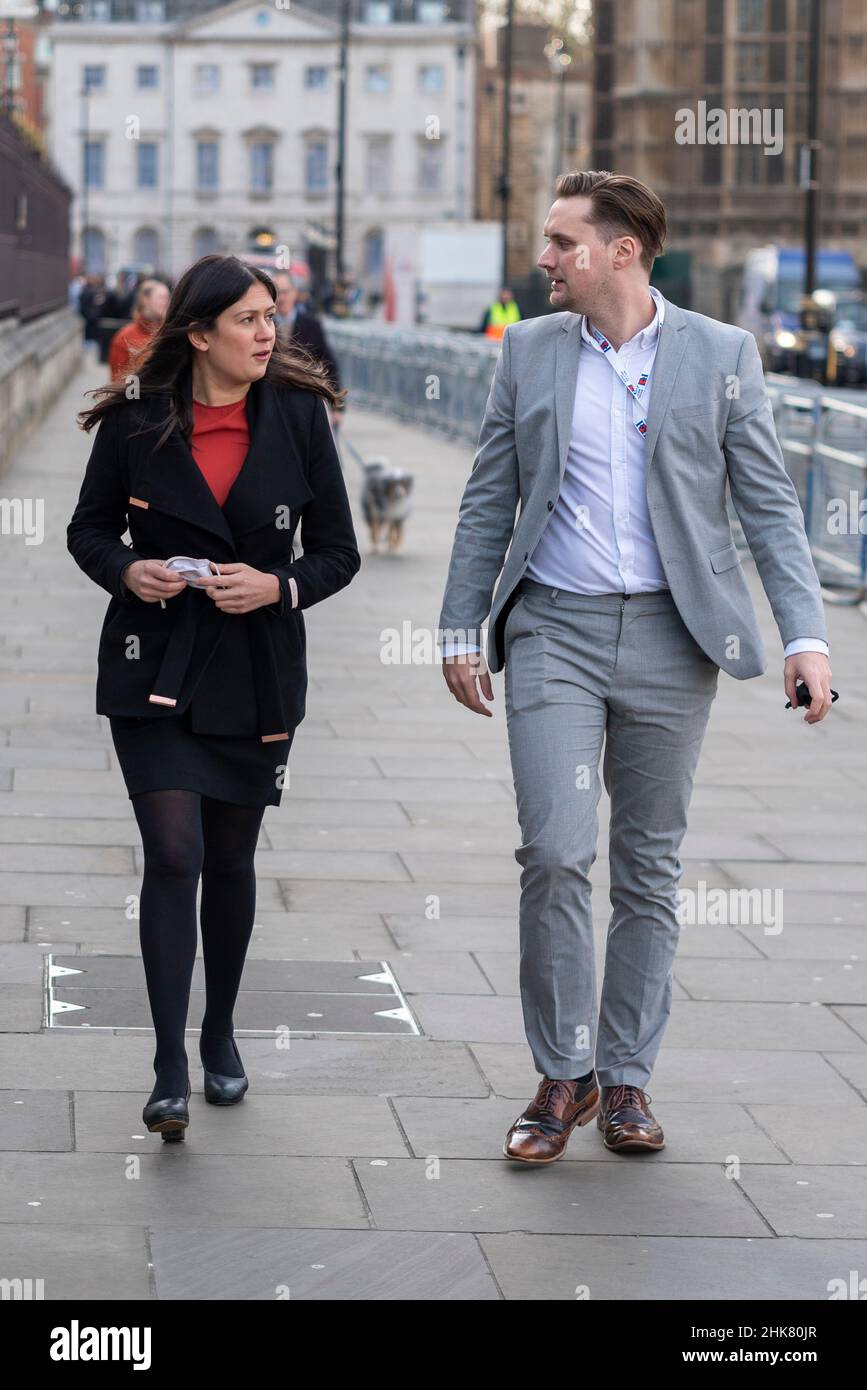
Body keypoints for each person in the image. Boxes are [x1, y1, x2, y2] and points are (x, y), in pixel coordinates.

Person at [438, 170, 833, 1162]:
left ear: (624, 250)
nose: (545, 259)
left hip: (672, 638)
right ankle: (560, 1073)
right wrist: (457, 626)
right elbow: (489, 496)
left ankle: (625, 1079)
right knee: (558, 850)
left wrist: (805, 637)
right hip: (552, 632)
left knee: (649, 870)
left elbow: (772, 509)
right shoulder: (528, 350)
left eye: (564, 242)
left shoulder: (722, 354)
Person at [68, 254, 361, 1141]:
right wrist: (131, 570)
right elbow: (88, 529)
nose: (268, 332)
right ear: (198, 334)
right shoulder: (131, 419)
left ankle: (220, 1032)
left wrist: (279, 589)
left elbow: (338, 552)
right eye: (247, 319)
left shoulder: (302, 417)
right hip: (151, 668)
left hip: (257, 669)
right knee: (173, 852)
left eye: (272, 315)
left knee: (230, 860)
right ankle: (166, 1065)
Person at [272, 269, 343, 430]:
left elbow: (328, 363)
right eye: (277, 293)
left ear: (294, 293)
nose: (281, 297)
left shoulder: (311, 325)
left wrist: (337, 406)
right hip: (272, 404)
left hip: (303, 402)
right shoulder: (264, 326)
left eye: (285, 292)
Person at [107, 278, 171, 382]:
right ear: (145, 299)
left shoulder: (171, 333)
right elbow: (119, 384)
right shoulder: (125, 338)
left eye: (168, 297)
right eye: (162, 297)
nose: (167, 302)